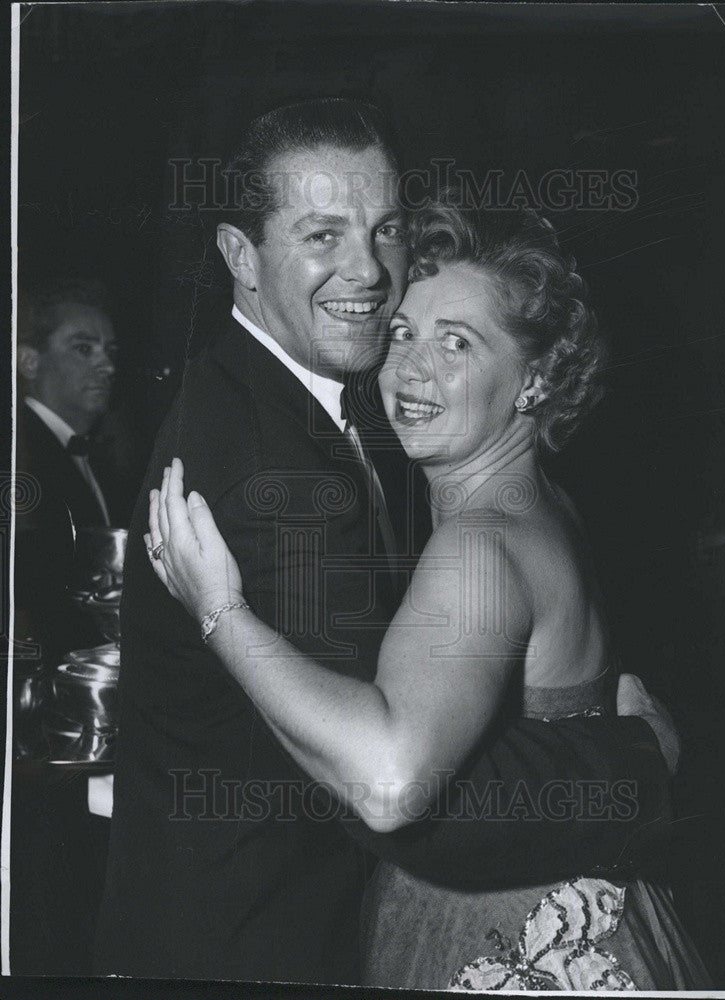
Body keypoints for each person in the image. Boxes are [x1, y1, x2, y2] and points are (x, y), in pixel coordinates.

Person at [96, 99, 679, 984]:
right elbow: (400, 786)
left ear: (535, 378)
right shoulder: (257, 465)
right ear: (239, 258)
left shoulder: (370, 415)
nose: (368, 271)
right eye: (323, 236)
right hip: (251, 946)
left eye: (384, 229)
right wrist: (641, 764)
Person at [13, 277, 119, 974]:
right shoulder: (23, 455)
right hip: (39, 733)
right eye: (82, 348)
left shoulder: (85, 453)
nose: (105, 364)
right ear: (27, 361)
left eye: (110, 350)